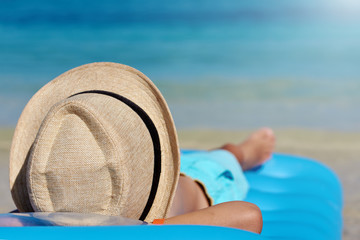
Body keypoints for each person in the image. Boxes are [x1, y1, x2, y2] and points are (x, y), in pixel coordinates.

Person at [7, 62, 275, 234]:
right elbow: (248, 217)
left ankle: (247, 150)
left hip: (196, 180)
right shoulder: (53, 205)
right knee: (213, 158)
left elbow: (249, 216)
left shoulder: (42, 214)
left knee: (230, 155)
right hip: (190, 183)